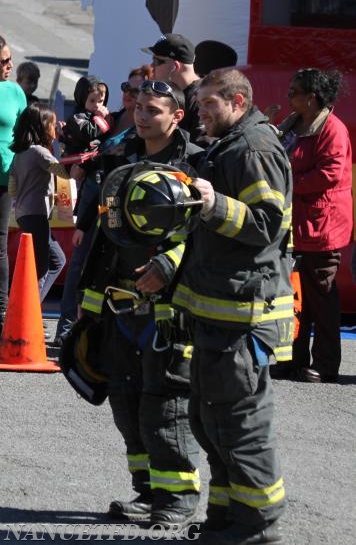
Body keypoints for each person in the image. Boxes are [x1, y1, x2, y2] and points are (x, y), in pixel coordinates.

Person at [170, 68, 294, 544]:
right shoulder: (229, 145)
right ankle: (225, 517)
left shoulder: (254, 150)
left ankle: (257, 526)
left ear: (237, 103)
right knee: (211, 421)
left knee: (241, 426)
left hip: (242, 318)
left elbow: (267, 225)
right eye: (199, 102)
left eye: (209, 104)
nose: (200, 111)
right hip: (218, 313)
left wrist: (214, 203)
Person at [79, 80, 203, 528]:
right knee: (124, 399)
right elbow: (104, 239)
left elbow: (201, 237)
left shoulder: (196, 167)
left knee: (165, 401)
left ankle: (177, 499)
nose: (141, 115)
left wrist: (167, 267)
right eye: (139, 107)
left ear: (177, 117)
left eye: (153, 109)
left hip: (172, 308)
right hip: (120, 304)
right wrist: (88, 303)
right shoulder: (122, 157)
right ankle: (149, 491)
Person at [54, 65, 153, 341]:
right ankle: (67, 328)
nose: (129, 95)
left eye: (137, 90)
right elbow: (82, 147)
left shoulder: (146, 128)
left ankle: (102, 331)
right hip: (96, 198)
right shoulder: (111, 119)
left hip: (127, 207)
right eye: (126, 88)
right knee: (80, 261)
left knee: (113, 264)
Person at [278, 68, 353, 383]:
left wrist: (288, 184)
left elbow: (331, 173)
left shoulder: (332, 129)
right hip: (296, 227)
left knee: (321, 299)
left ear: (312, 97)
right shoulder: (292, 124)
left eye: (294, 92)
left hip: (322, 228)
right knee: (297, 298)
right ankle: (293, 361)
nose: (288, 96)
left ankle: (325, 365)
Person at [8, 103, 69, 302]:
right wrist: (66, 142)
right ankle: (28, 312)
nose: (55, 129)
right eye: (53, 125)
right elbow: (63, 172)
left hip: (24, 214)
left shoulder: (20, 154)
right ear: (43, 127)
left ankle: (31, 309)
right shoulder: (40, 153)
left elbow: (13, 189)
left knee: (57, 260)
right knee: (41, 268)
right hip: (37, 215)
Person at [0, 35, 27, 331]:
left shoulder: (15, 92)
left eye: (9, 59)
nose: (10, 65)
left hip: (3, 179)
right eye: (4, 61)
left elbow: (25, 136)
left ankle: (1, 315)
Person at [141, 33, 203, 143]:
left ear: (175, 66)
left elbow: (201, 149)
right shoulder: (172, 93)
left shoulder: (202, 100)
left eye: (156, 62)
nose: (151, 67)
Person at [59, 75, 113, 167]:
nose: (97, 105)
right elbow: (88, 132)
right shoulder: (76, 118)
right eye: (92, 101)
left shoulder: (99, 115)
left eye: (100, 101)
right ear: (82, 99)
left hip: (92, 160)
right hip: (75, 163)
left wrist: (109, 120)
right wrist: (99, 118)